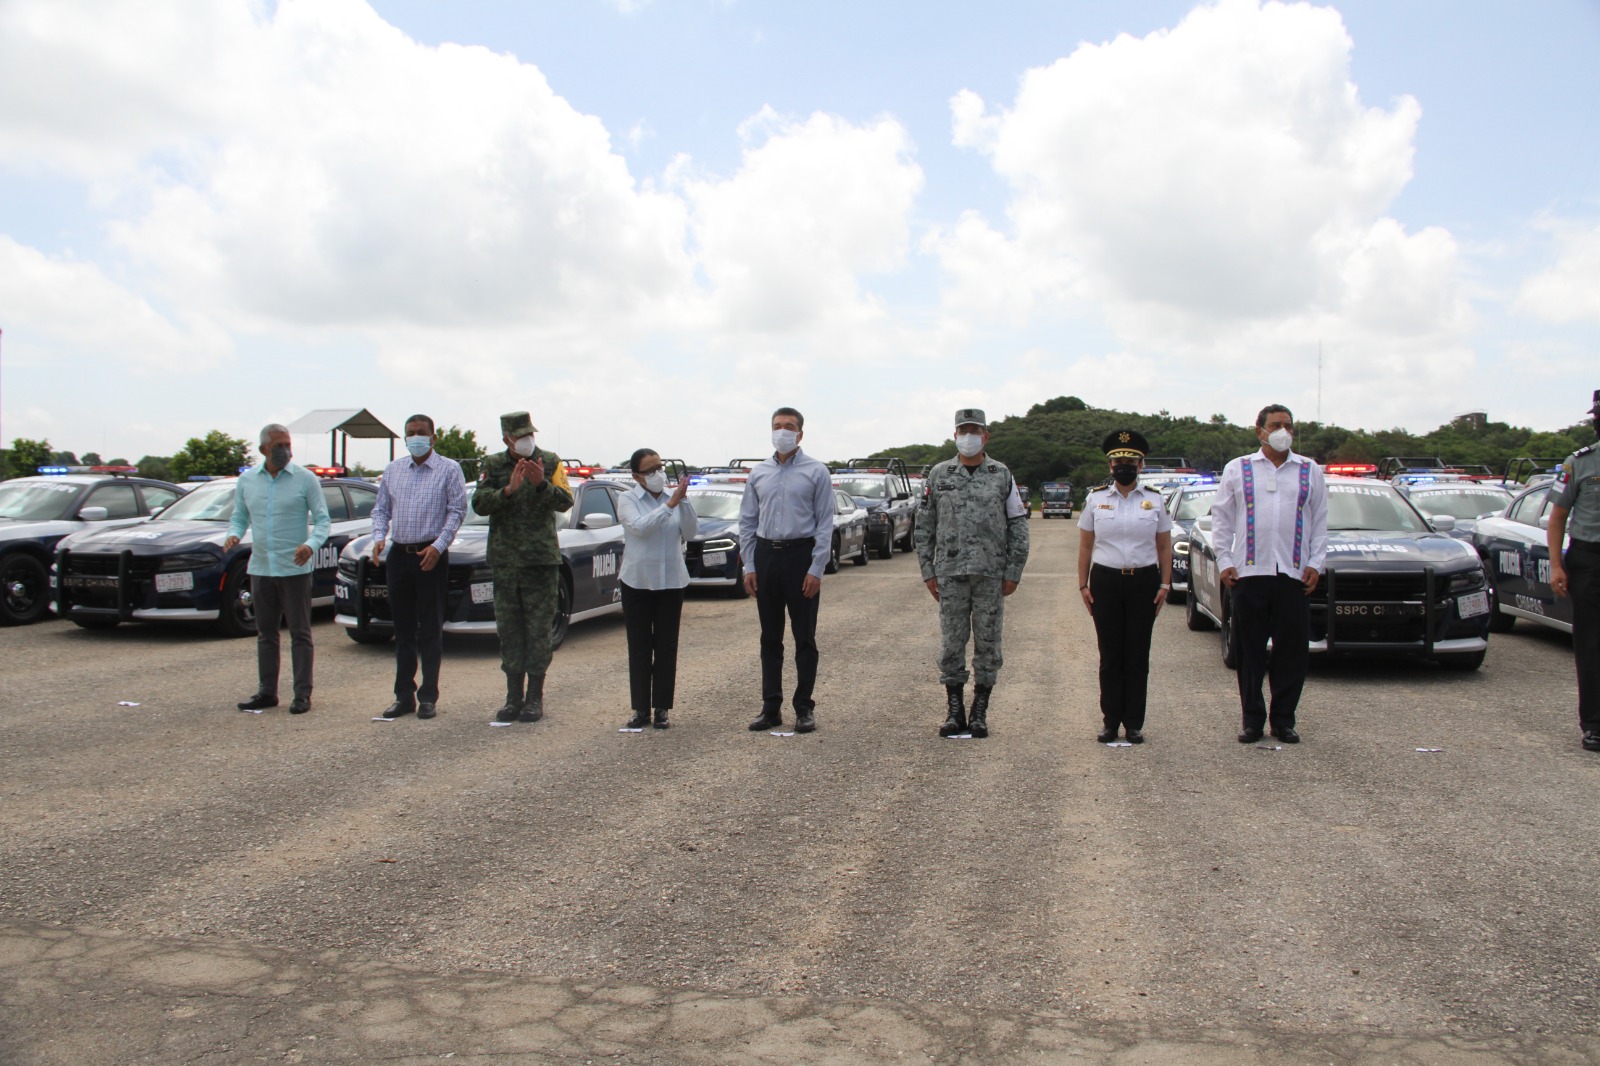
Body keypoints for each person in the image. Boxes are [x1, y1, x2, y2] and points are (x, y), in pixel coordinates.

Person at [1209, 404, 1328, 744]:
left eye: (1288, 426)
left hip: (1292, 575)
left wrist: (1315, 563)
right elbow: (1222, 519)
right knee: (1249, 651)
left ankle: (1284, 720)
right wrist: (1224, 559)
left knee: (1292, 651)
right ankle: (1252, 720)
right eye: (1276, 425)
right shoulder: (1239, 469)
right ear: (1259, 430)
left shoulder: (1309, 470)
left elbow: (1319, 521)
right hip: (1249, 573)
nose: (1283, 431)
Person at [914, 408, 1030, 738]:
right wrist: (928, 572)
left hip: (990, 574)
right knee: (952, 643)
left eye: (974, 431)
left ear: (985, 435)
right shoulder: (938, 475)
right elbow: (924, 528)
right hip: (950, 573)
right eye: (963, 431)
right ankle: (955, 711)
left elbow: (1018, 526)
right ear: (954, 435)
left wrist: (1014, 570)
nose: (968, 437)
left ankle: (980, 711)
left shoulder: (1001, 474)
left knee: (988, 643)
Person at [738, 407, 836, 733]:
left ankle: (804, 708)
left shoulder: (816, 471)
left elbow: (824, 524)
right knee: (770, 637)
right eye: (777, 426)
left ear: (800, 433)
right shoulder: (758, 473)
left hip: (801, 557)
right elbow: (748, 521)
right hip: (767, 557)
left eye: (789, 427)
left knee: (804, 637)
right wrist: (750, 563)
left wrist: (816, 568)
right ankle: (771, 708)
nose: (783, 431)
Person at [472, 412, 573, 723]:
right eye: (520, 436)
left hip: (541, 561)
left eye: (530, 433)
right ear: (507, 440)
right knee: (510, 630)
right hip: (505, 562)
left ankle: (534, 698)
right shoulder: (492, 465)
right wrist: (508, 490)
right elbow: (478, 504)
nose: (528, 440)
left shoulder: (551, 461)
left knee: (539, 630)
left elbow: (565, 501)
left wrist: (541, 484)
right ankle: (513, 697)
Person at [226, 424, 331, 716]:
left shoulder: (305, 479)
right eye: (279, 445)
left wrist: (310, 545)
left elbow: (323, 521)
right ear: (263, 450)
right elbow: (238, 518)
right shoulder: (248, 482)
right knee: (266, 633)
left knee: (300, 633)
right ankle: (267, 691)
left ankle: (302, 694)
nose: (285, 450)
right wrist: (232, 535)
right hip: (261, 567)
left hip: (294, 569)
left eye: (288, 444)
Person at [1076, 430, 1172, 743]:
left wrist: (1165, 584)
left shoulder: (1155, 499)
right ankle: (1110, 722)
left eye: (1130, 460)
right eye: (1118, 460)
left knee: (1137, 654)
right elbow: (1086, 546)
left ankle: (1133, 724)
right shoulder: (1096, 498)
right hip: (1105, 581)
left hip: (1143, 581)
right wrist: (1082, 584)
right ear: (1110, 465)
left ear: (1141, 465)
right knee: (1110, 655)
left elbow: (1164, 546)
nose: (1124, 466)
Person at [370, 414, 468, 721]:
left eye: (421, 433)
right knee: (403, 629)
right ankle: (403, 696)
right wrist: (377, 538)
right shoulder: (393, 470)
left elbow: (456, 511)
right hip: (399, 555)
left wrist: (438, 547)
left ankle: (428, 696)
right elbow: (381, 510)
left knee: (430, 628)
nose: (416, 437)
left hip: (430, 556)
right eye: (410, 433)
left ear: (433, 437)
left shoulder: (449, 469)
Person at [617, 449, 696, 729]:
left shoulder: (673, 498)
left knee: (666, 646)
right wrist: (670, 505)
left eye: (660, 467)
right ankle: (640, 708)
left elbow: (691, 532)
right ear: (637, 475)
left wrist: (682, 503)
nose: (657, 474)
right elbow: (639, 528)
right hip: (637, 581)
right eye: (650, 470)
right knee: (639, 647)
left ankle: (661, 707)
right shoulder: (627, 499)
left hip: (671, 581)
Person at [1548, 388, 1600, 753]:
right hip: (1590, 561)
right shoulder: (1579, 463)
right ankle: (1595, 725)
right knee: (1592, 644)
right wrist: (1556, 564)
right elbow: (1558, 518)